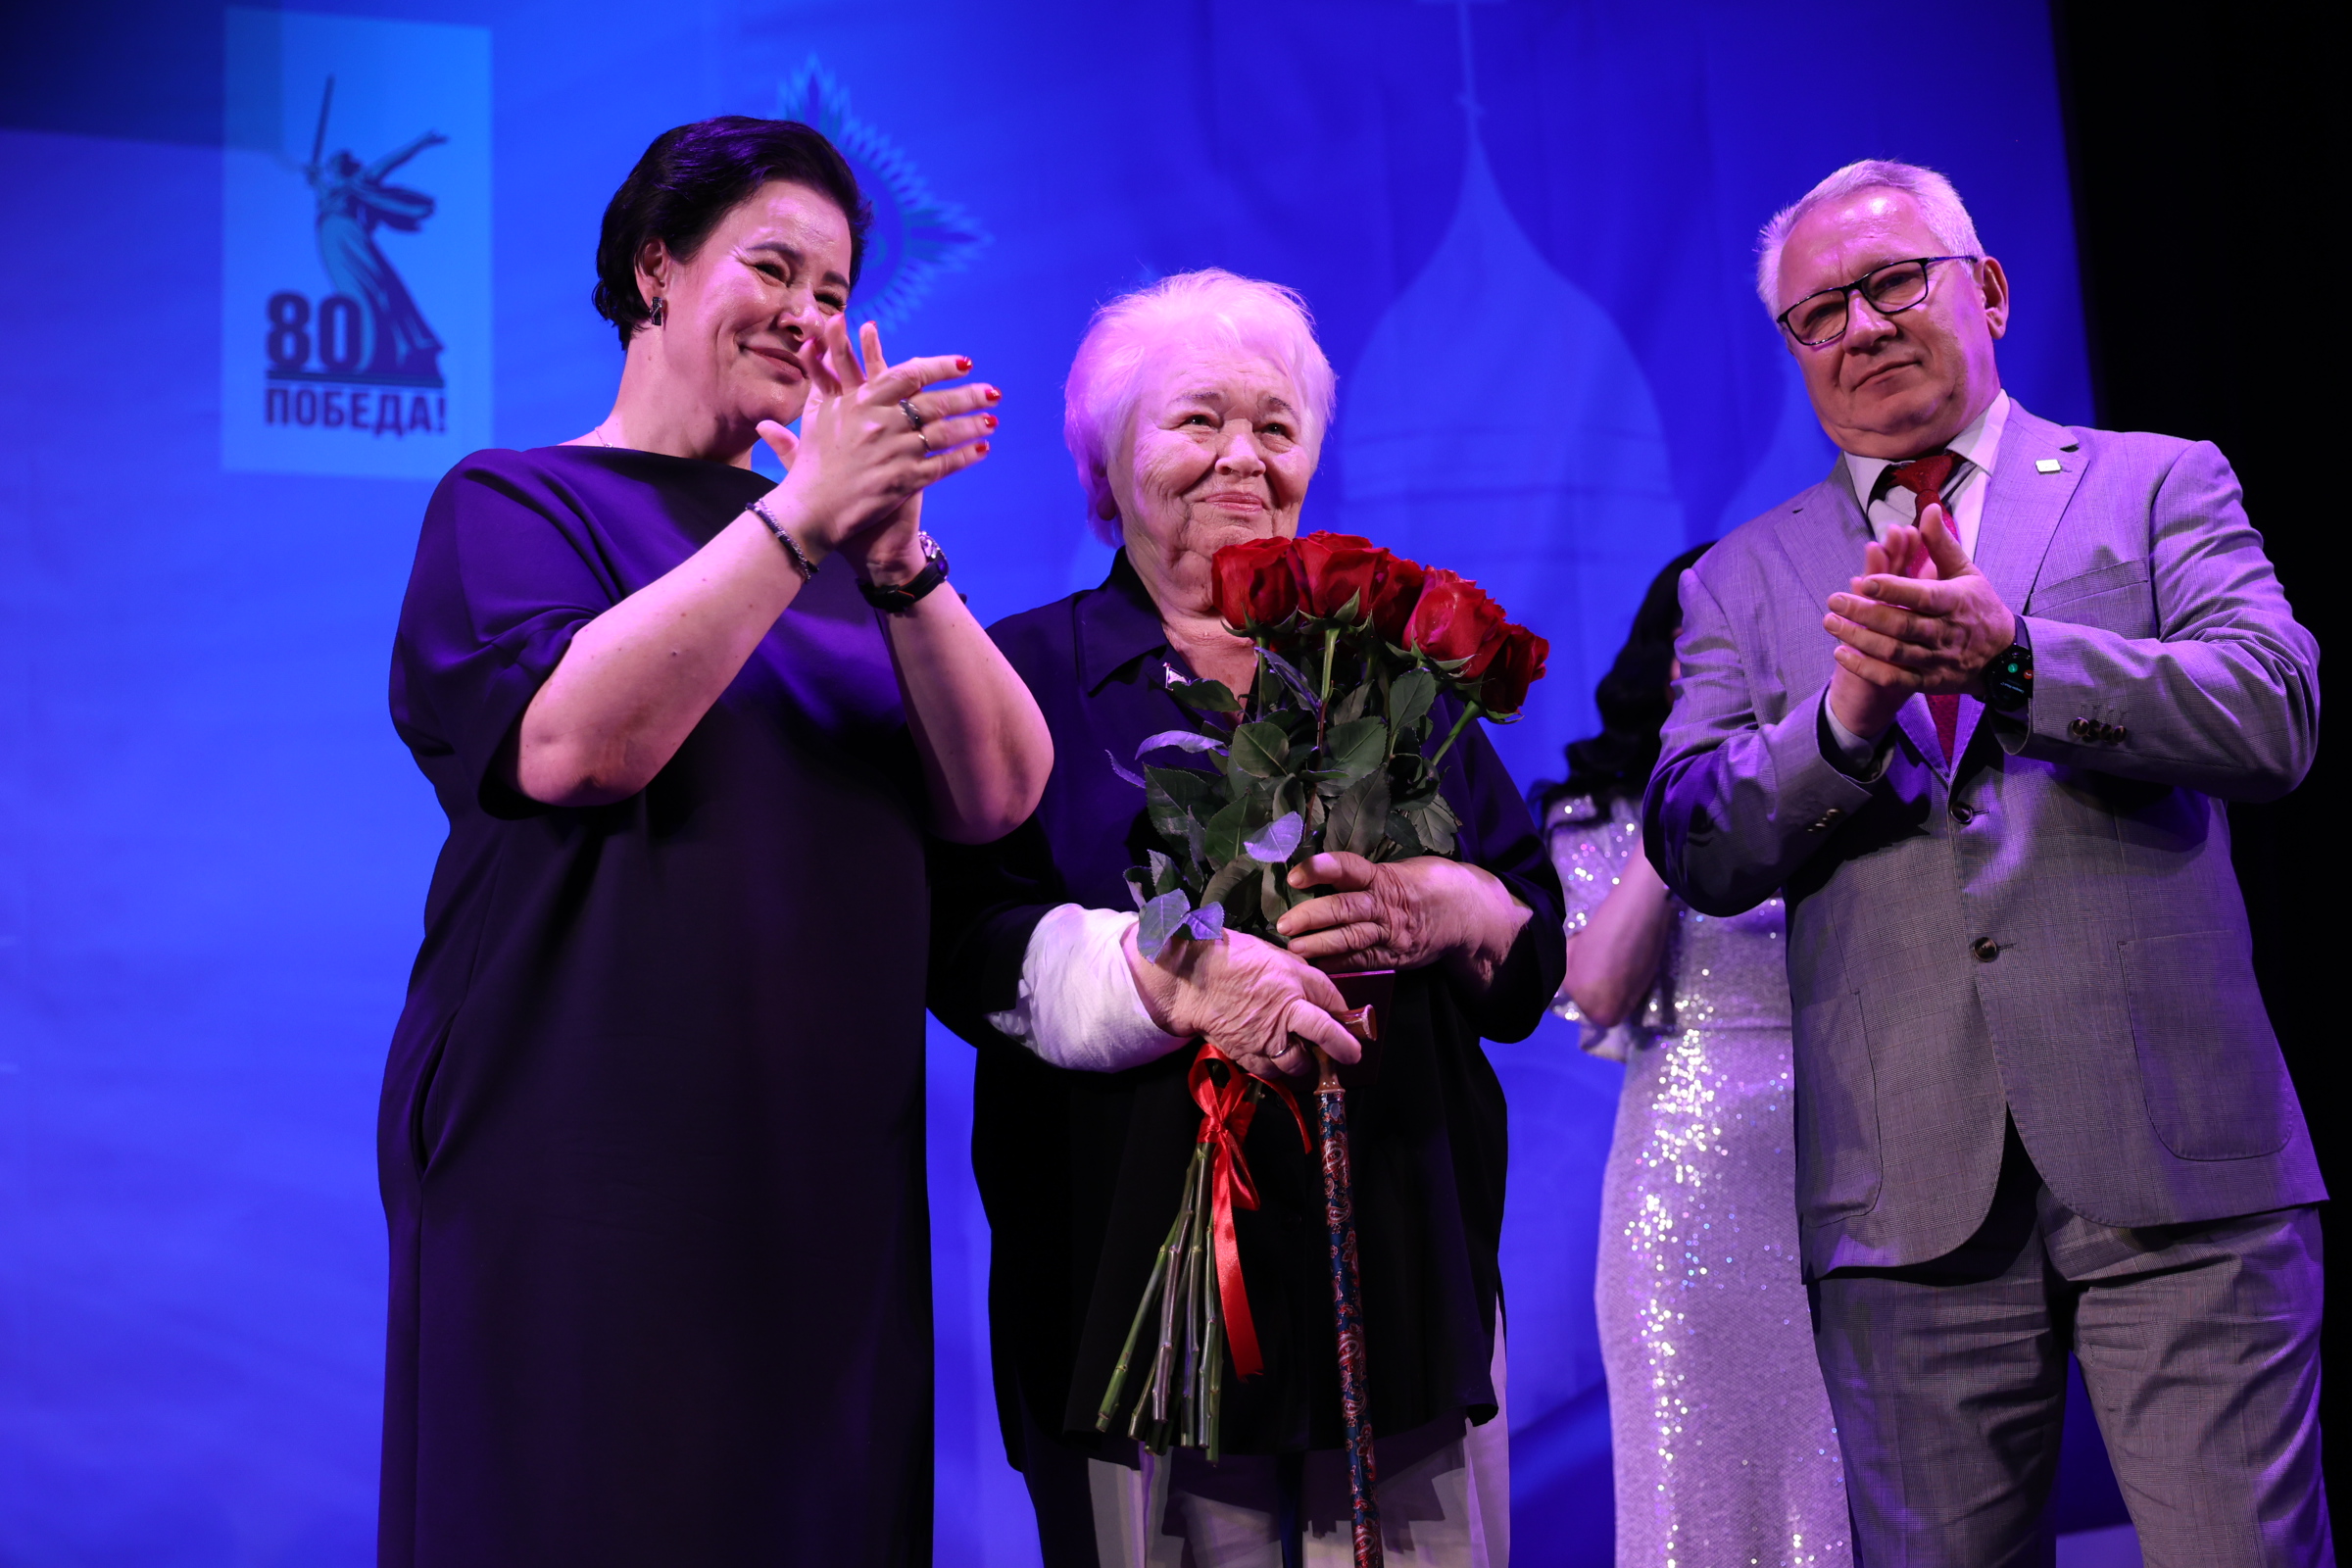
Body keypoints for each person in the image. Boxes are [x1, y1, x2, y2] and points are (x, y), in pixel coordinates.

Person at [378, 116, 1052, 1568]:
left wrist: (899, 556)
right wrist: (805, 514)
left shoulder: (847, 554)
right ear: (656, 268)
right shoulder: (515, 502)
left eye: (836, 290)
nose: (809, 315)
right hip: (583, 1155)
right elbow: (574, 745)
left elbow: (999, 794)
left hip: (816, 1164)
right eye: (772, 268)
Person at [1645, 158, 2326, 1565]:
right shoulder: (1738, 579)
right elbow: (1697, 838)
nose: (1863, 326)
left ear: (1991, 292)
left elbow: (2272, 710)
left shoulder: (2153, 483)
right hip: (1904, 1206)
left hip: (2181, 1165)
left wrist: (2016, 661)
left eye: (1895, 281)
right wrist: (1841, 723)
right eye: (1820, 312)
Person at [928, 270, 1565, 1566]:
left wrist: (1455, 906)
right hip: (1135, 1313)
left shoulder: (1390, 675)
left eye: (1277, 426)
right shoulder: (1019, 674)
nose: (1243, 457)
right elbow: (963, 948)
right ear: (1106, 469)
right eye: (1196, 420)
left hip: (1401, 1300)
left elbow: (1527, 955)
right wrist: (1165, 980)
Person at [1544, 544, 1850, 1568]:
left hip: (1850, 1167)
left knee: (1844, 1498)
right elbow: (1599, 990)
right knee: (1695, 1503)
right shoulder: (1601, 817)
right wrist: (1689, 797)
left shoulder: (1845, 792)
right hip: (1687, 1197)